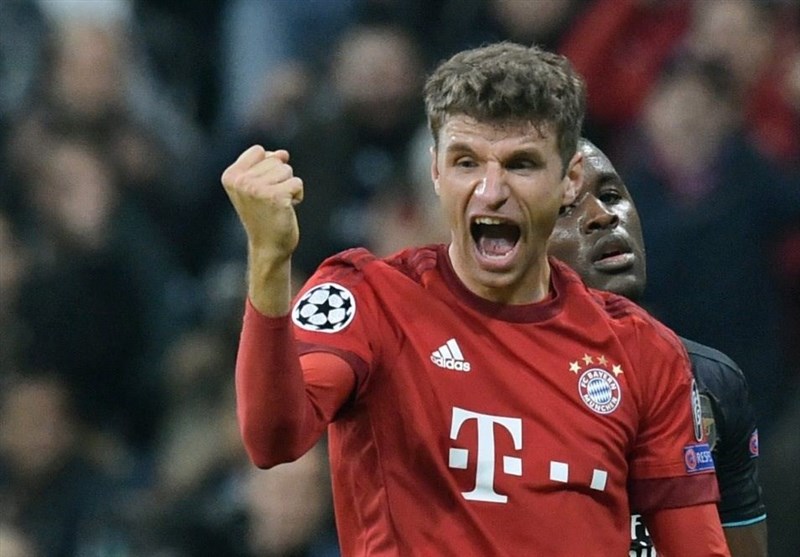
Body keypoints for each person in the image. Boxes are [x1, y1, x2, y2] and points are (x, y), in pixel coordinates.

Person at [221, 42, 729, 555]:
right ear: (435, 171)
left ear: (570, 180)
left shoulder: (641, 352)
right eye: (466, 162)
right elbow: (273, 438)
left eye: (521, 164)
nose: (490, 191)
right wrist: (269, 259)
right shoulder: (368, 298)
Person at [548, 138, 767, 556]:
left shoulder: (712, 382)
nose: (602, 216)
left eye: (611, 195)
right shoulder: (478, 377)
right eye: (564, 209)